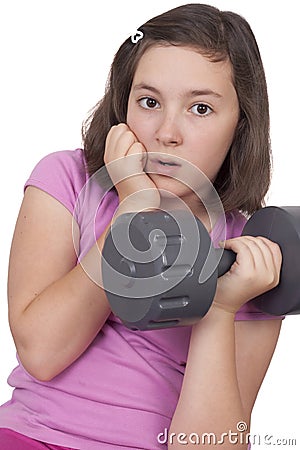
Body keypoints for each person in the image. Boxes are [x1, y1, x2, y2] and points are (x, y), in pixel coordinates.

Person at [0, 3, 283, 449]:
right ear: (123, 105)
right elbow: (42, 354)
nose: (167, 132)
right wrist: (134, 210)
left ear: (240, 125)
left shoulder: (251, 256)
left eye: (201, 109)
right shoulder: (67, 180)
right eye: (149, 102)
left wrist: (220, 309)